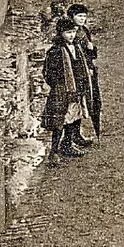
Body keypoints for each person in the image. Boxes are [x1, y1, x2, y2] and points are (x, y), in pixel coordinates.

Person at [43, 18, 93, 167]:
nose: (71, 35)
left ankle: (67, 144)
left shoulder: (77, 47)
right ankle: (54, 152)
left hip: (77, 88)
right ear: (61, 33)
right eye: (68, 32)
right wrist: (59, 86)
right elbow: (48, 73)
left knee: (75, 117)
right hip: (62, 91)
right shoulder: (55, 51)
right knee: (59, 121)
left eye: (73, 32)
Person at [67, 3, 103, 138]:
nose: (82, 19)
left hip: (89, 71)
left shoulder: (84, 30)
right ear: (72, 17)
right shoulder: (69, 33)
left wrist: (92, 48)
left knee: (90, 101)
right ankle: (71, 137)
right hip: (77, 73)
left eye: (84, 16)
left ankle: (78, 135)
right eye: (79, 16)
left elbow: (92, 53)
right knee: (76, 103)